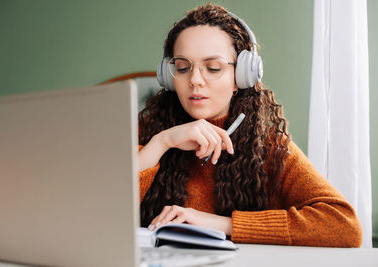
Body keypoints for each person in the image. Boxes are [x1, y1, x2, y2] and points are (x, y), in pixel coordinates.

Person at [138, 3, 362, 247]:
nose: (195, 80)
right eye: (182, 67)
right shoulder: (150, 135)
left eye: (213, 68)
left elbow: (344, 225)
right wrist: (162, 142)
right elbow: (100, 209)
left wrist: (221, 224)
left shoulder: (266, 146)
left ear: (241, 77)